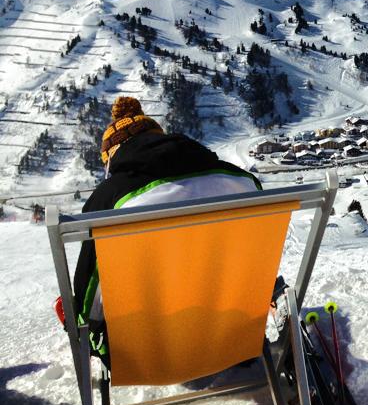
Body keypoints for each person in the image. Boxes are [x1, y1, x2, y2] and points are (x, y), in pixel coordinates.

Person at [59, 96, 261, 362]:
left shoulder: (112, 200)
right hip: (234, 332)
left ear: (114, 156)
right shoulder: (240, 180)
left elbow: (92, 295)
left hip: (149, 352)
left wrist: (85, 328)